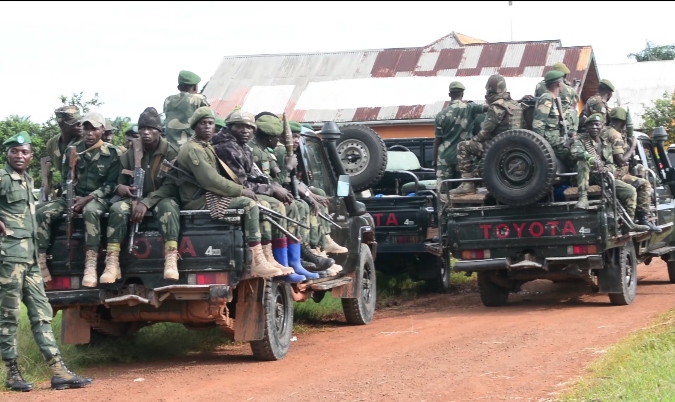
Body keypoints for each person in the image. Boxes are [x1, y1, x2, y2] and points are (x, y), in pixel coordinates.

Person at [0, 131, 92, 392]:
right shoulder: (3, 177)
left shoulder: (27, 178)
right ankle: (11, 372)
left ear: (30, 156)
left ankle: (58, 370)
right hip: (9, 258)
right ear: (7, 153)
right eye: (15, 151)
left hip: (29, 257)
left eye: (25, 152)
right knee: (9, 317)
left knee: (42, 314)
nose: (20, 156)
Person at [170, 106, 284, 278]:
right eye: (203, 123)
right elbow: (210, 180)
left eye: (211, 123)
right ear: (194, 126)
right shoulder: (194, 149)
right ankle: (256, 261)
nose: (208, 127)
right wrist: (240, 190)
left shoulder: (205, 146)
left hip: (208, 195)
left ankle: (267, 257)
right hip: (199, 199)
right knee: (249, 205)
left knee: (262, 205)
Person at [211, 111, 319, 282]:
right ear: (230, 127)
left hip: (247, 190)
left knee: (289, 204)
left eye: (249, 127)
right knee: (275, 206)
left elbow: (257, 176)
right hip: (230, 194)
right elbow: (241, 184)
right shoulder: (227, 147)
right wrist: (272, 188)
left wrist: (272, 186)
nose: (246, 131)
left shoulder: (242, 147)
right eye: (240, 126)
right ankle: (268, 259)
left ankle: (288, 261)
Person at [36, 111, 122, 287]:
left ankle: (90, 266)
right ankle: (41, 260)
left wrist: (88, 198)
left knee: (91, 212)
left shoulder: (112, 153)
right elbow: (68, 179)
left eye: (94, 129)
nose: (89, 133)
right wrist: (72, 198)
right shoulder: (72, 151)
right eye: (86, 128)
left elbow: (111, 184)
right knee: (42, 212)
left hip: (98, 198)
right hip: (73, 197)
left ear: (102, 130)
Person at [102, 107, 183, 283]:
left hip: (161, 198)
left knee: (169, 207)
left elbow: (170, 186)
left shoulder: (171, 152)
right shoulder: (131, 152)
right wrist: (122, 189)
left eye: (151, 128)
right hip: (134, 198)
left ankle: (170, 259)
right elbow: (118, 181)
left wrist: (146, 202)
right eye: (142, 128)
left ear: (159, 131)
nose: (146, 132)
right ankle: (112, 261)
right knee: (117, 209)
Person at [248, 114, 322, 280]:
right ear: (270, 138)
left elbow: (274, 181)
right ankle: (284, 263)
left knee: (293, 205)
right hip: (258, 194)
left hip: (264, 191)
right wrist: (287, 168)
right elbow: (272, 184)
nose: (279, 142)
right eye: (276, 138)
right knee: (284, 206)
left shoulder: (263, 151)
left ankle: (293, 262)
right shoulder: (255, 152)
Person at [276, 121, 347, 259]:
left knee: (319, 195)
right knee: (303, 206)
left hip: (289, 190)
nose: (296, 140)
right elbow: (286, 181)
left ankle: (322, 242)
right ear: (282, 137)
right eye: (293, 136)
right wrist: (310, 197)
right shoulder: (282, 151)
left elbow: (296, 181)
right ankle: (310, 248)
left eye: (298, 136)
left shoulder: (293, 152)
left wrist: (311, 194)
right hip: (282, 194)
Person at [570, 114, 650, 232]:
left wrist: (607, 168)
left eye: (597, 124)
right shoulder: (580, 139)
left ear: (602, 126)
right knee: (583, 163)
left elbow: (612, 164)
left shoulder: (605, 144)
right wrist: (591, 159)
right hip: (585, 176)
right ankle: (583, 198)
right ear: (586, 127)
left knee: (630, 191)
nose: (594, 127)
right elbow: (575, 152)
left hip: (603, 177)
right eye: (591, 125)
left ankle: (629, 224)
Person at [450, 74, 525, 195]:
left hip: (498, 149)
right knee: (480, 168)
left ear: (490, 90)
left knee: (463, 146)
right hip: (516, 150)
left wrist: (474, 139)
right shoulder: (515, 105)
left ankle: (467, 184)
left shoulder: (496, 107)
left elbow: (483, 134)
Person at [605, 107, 660, 232]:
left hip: (610, 172)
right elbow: (621, 160)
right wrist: (633, 146)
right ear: (623, 122)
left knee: (641, 171)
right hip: (617, 174)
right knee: (645, 184)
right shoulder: (615, 135)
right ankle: (643, 220)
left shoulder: (604, 131)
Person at [433, 81, 487, 198]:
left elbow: (437, 141)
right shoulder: (470, 108)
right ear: (462, 94)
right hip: (463, 158)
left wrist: (435, 163)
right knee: (466, 193)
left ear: (449, 95)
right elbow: (489, 107)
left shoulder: (441, 114)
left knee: (443, 194)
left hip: (445, 158)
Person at [531, 70, 573, 166]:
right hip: (551, 142)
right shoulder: (547, 98)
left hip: (556, 139)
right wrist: (541, 148)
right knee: (576, 154)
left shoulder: (554, 99)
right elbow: (538, 125)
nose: (563, 85)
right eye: (562, 82)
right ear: (558, 84)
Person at [44, 106, 83, 199]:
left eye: (80, 121)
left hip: (84, 191)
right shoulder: (52, 144)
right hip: (66, 190)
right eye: (74, 123)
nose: (80, 124)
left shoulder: (84, 142)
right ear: (62, 125)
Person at [163, 70, 210, 147]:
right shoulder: (198, 99)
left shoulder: (168, 100)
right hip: (192, 148)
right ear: (195, 87)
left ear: (179, 87)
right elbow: (209, 118)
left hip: (170, 148)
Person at [534, 62, 580, 136]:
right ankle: (573, 132)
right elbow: (576, 100)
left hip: (547, 117)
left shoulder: (539, 85)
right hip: (553, 124)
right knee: (573, 112)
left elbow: (536, 96)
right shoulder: (567, 89)